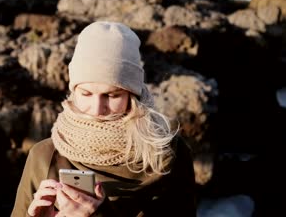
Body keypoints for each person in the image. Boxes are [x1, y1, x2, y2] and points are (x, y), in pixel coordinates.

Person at [11, 21, 196, 217]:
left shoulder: (170, 153)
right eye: (86, 93)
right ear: (74, 91)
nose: (97, 109)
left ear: (132, 95)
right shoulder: (44, 155)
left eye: (112, 95)